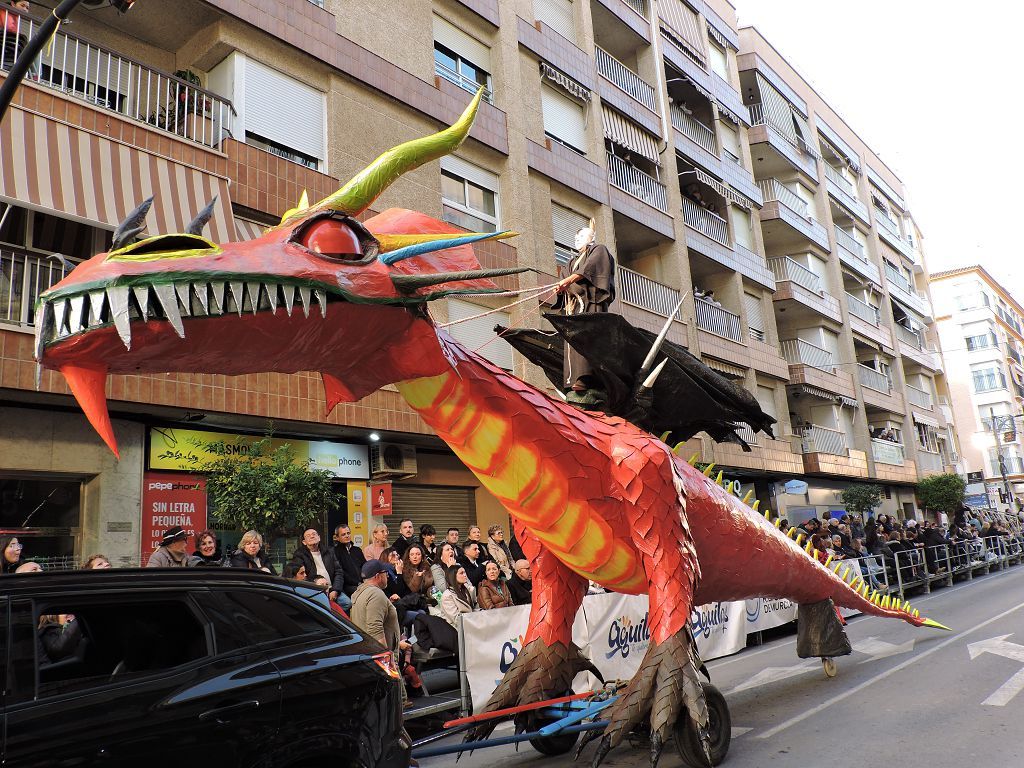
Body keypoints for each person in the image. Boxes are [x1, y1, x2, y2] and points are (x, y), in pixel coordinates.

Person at [553, 219, 615, 402]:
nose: (577, 239)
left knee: (587, 339)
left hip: (590, 303)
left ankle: (587, 378)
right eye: (575, 236)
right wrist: (561, 286)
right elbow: (565, 276)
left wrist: (569, 281)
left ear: (592, 237)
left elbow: (592, 269)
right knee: (572, 342)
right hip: (575, 306)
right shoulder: (572, 260)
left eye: (581, 236)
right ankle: (572, 379)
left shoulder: (599, 249)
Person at [350, 559, 408, 672]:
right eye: (385, 573)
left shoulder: (361, 592)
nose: (387, 576)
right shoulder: (375, 594)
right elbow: (375, 629)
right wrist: (387, 663)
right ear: (377, 576)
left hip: (369, 657)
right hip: (380, 662)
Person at [290, 528, 347, 608]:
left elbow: (339, 572)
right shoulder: (299, 554)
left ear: (319, 537)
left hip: (332, 588)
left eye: (314, 534)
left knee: (347, 603)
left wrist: (335, 590)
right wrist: (315, 581)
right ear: (304, 542)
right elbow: (300, 576)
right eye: (308, 536)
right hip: (314, 589)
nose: (312, 536)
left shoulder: (329, 551)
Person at [332, 524, 366, 599]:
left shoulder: (357, 550)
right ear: (337, 537)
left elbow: (365, 566)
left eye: (348, 533)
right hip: (347, 585)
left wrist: (365, 581)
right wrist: (357, 583)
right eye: (343, 534)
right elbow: (341, 572)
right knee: (363, 595)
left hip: (363, 583)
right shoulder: (335, 552)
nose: (347, 536)